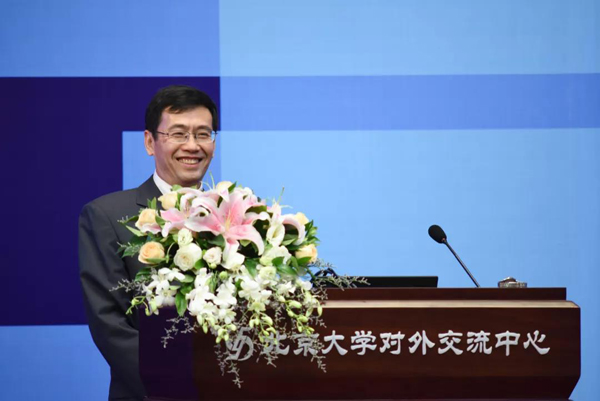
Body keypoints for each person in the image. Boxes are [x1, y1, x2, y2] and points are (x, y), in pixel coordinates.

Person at [79, 85, 218, 400]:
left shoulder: (235, 216)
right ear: (149, 142)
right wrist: (180, 386)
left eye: (203, 134)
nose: (192, 145)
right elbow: (110, 324)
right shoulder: (108, 215)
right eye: (178, 134)